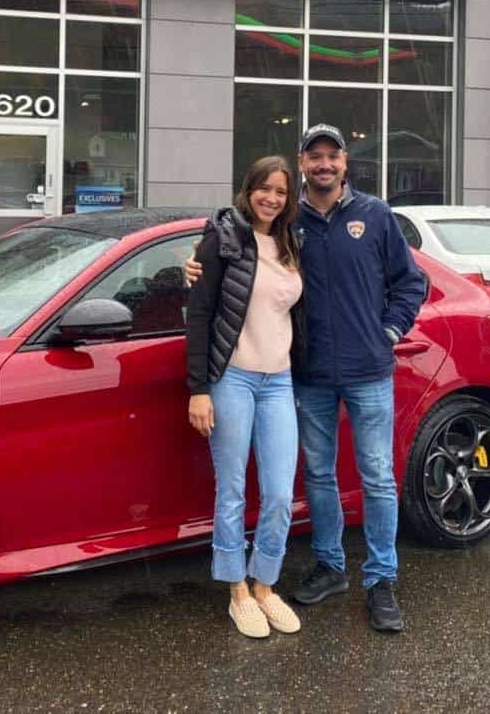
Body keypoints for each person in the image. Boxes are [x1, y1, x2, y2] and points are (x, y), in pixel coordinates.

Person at [186, 125, 426, 632]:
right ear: (302, 164)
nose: (323, 164)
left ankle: (381, 578)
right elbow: (230, 243)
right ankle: (330, 565)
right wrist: (189, 263)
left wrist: (388, 330)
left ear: (344, 163)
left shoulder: (376, 216)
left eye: (331, 156)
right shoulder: (292, 226)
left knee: (378, 476)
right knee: (317, 474)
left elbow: (411, 282)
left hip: (367, 371)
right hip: (309, 373)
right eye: (314, 157)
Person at [186, 155, 306, 638]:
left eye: (280, 192)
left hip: (279, 380)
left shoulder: (291, 243)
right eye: (264, 189)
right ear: (248, 189)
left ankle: (264, 584)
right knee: (232, 491)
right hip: (232, 378)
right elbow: (199, 316)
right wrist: (198, 389)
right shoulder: (223, 239)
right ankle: (236, 589)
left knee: (279, 493)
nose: (271, 199)